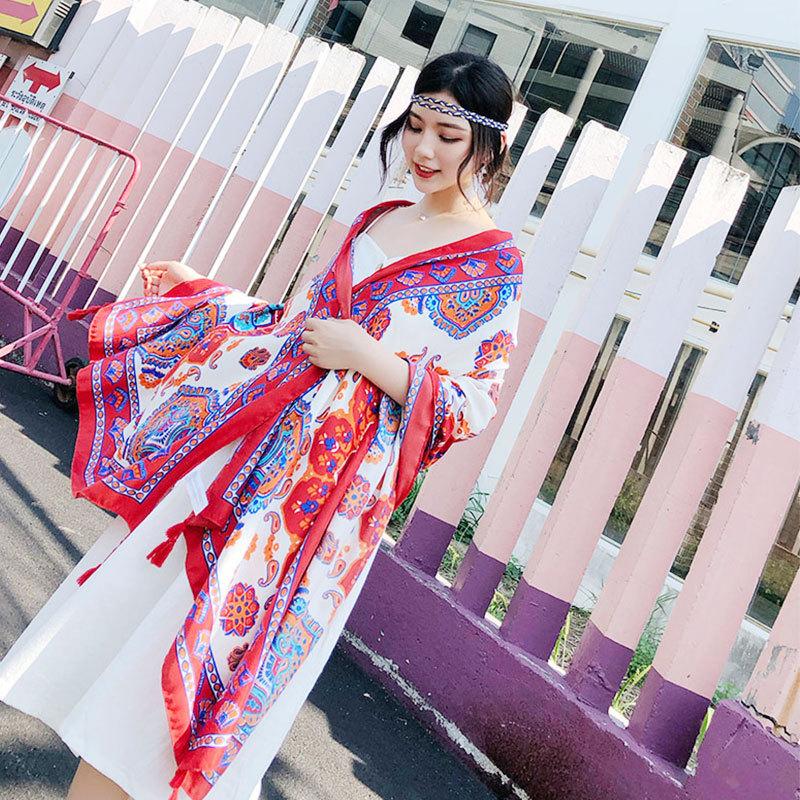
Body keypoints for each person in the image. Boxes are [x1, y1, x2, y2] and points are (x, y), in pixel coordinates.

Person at [0, 51, 524, 799]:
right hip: (242, 463)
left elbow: (472, 404)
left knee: (202, 662)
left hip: (312, 509)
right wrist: (206, 296)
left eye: (449, 136)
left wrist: (370, 357)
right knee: (134, 655)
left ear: (490, 145)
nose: (424, 150)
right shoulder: (379, 220)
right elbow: (296, 328)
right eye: (415, 127)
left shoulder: (495, 266)